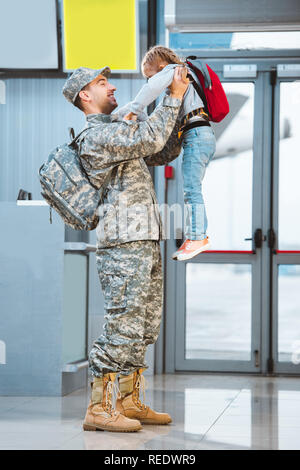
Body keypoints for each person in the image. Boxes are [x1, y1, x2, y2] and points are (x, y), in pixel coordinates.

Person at [62, 65, 188, 432]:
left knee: (145, 325)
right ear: (85, 95)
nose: (112, 87)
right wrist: (172, 95)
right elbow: (149, 140)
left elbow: (160, 150)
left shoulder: (119, 129)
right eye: (102, 83)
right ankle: (99, 409)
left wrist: (183, 114)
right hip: (123, 244)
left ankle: (129, 402)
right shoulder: (95, 137)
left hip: (144, 238)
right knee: (123, 325)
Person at [123, 45, 217, 261]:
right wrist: (125, 115)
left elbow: (150, 90)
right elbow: (157, 118)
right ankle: (195, 236)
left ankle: (198, 238)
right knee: (191, 189)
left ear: (161, 66)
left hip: (196, 137)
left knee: (192, 190)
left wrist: (133, 111)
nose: (149, 81)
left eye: (150, 75)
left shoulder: (175, 71)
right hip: (199, 137)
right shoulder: (181, 81)